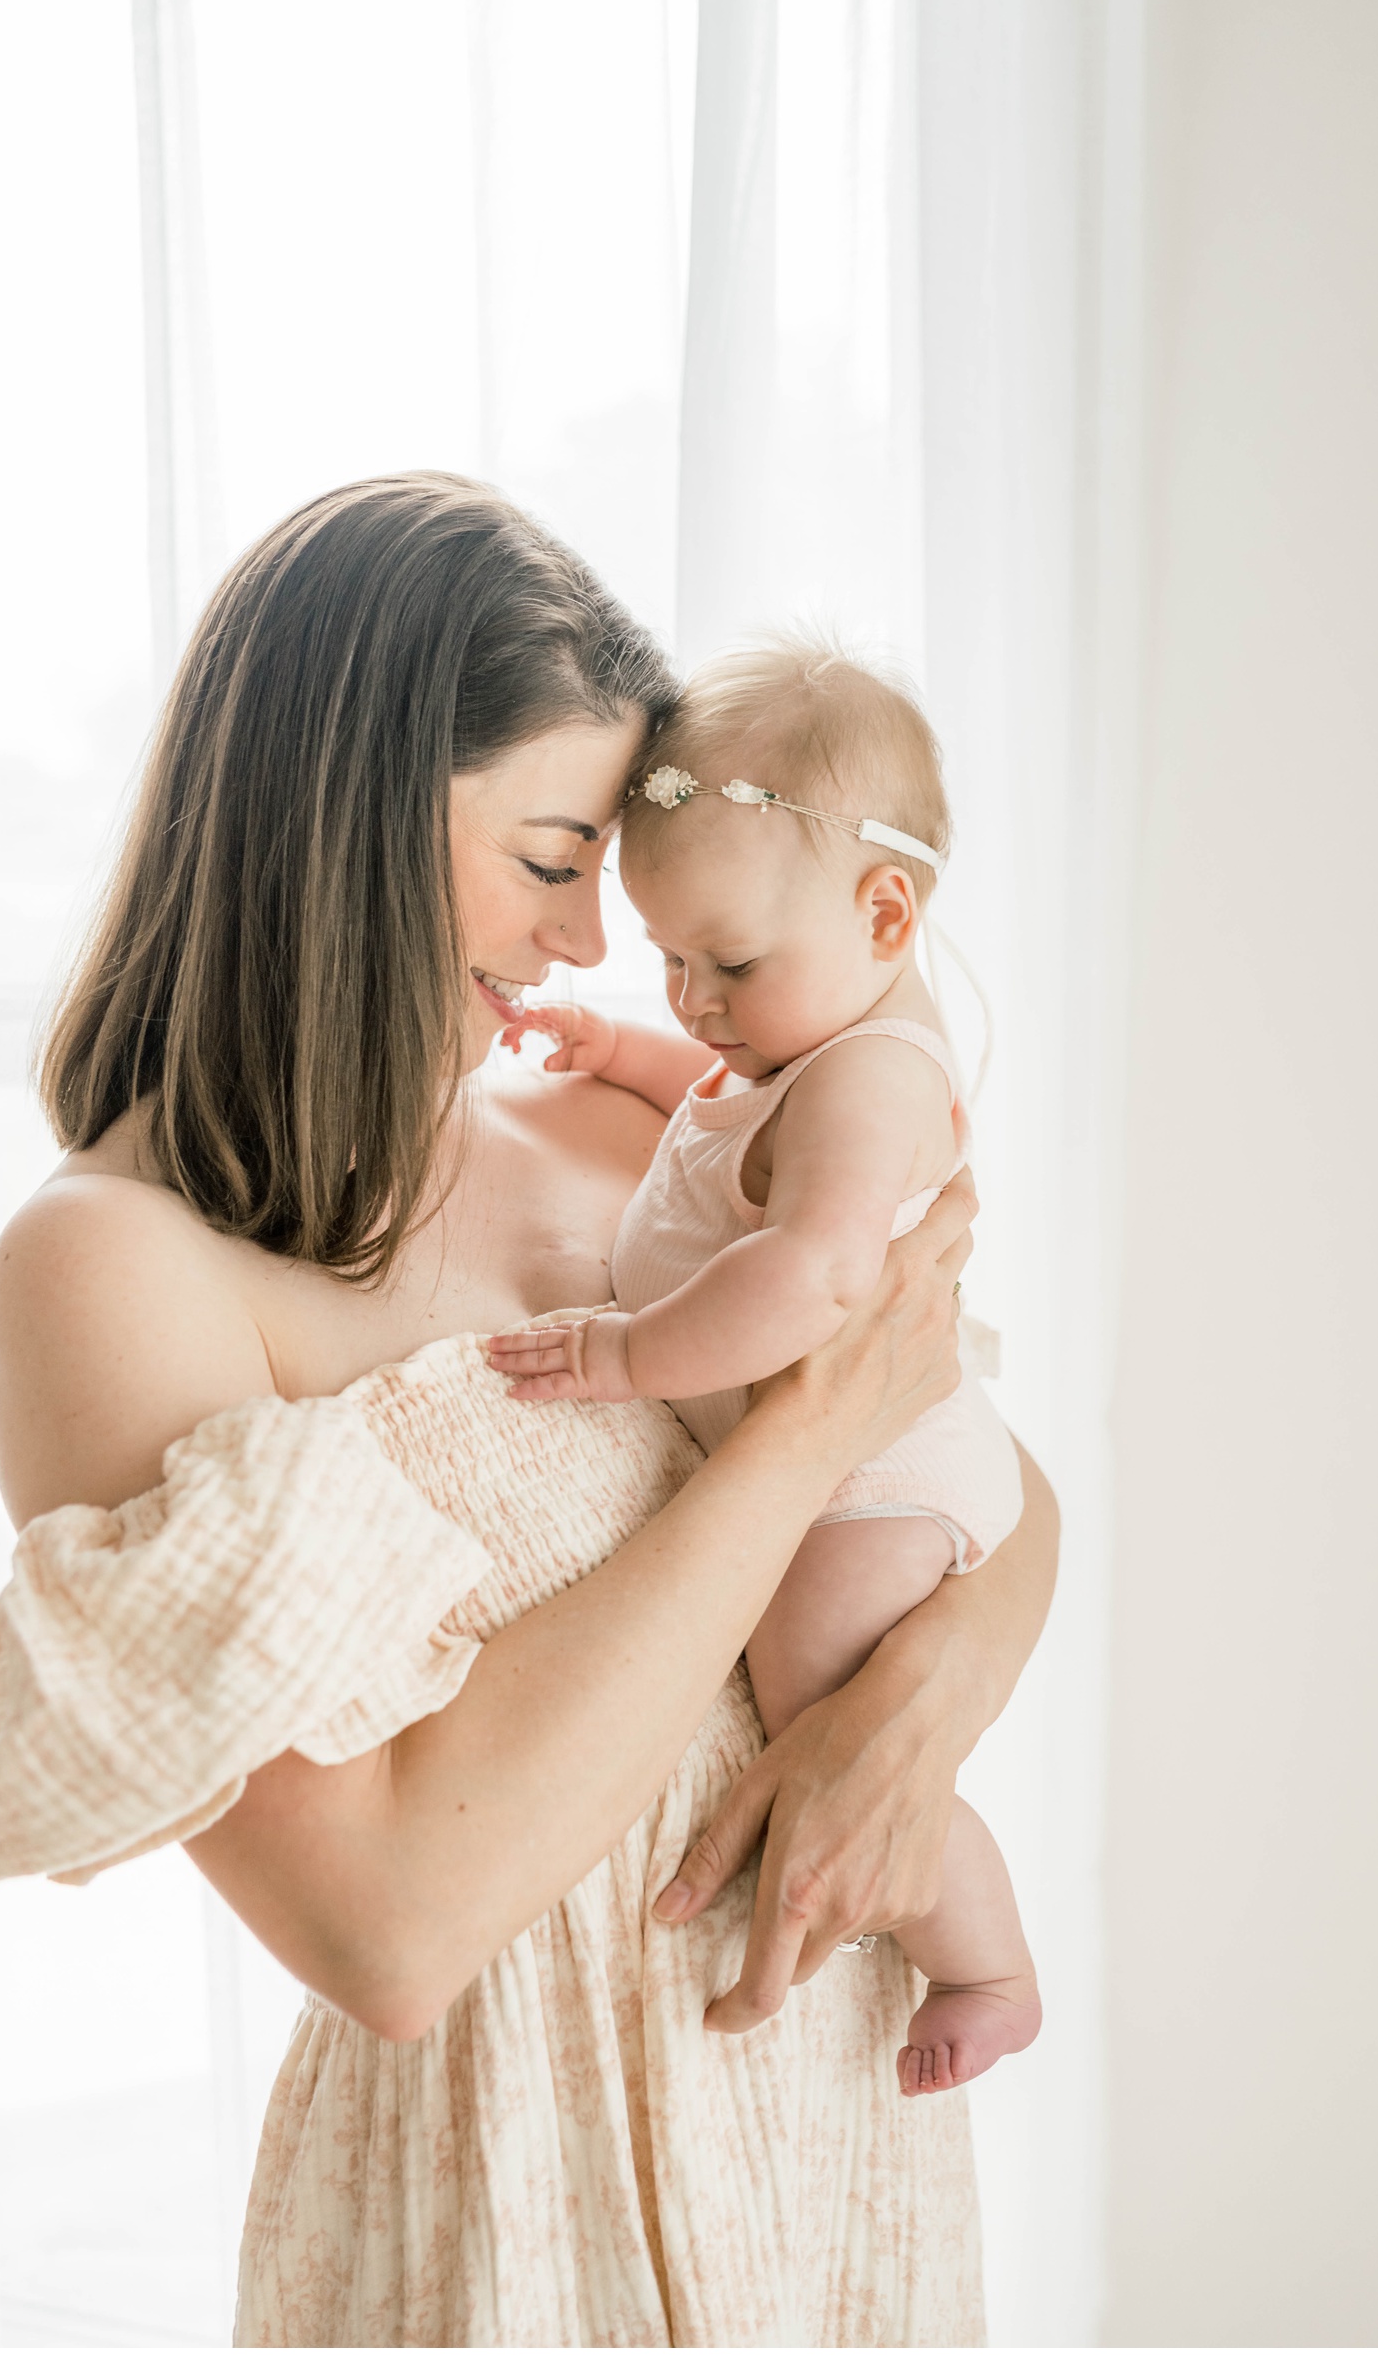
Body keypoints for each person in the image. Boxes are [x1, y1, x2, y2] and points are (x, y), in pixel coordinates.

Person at [0, 475, 1059, 2349]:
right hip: (512, 2196)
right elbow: (389, 1925)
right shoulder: (114, 1271)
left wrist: (917, 1713)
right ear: (342, 829)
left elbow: (979, 1465)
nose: (596, 937)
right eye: (547, 857)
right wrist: (784, 1441)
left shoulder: (650, 1127)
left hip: (834, 2120)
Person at [489, 639, 1042, 2099]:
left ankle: (987, 1961)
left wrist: (626, 1355)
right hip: (848, 1450)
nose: (694, 1002)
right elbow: (724, 1112)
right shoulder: (799, 1046)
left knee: (818, 1700)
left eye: (726, 964)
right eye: (667, 962)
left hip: (882, 1470)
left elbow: (814, 1271)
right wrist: (614, 1045)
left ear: (884, 911)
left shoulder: (875, 1075)